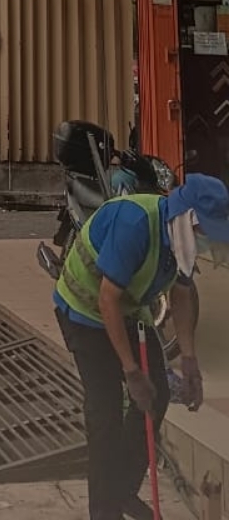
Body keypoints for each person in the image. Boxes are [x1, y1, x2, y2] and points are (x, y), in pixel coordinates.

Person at [54, 174, 229, 520]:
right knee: (104, 414)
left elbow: (180, 295)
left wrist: (190, 360)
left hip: (131, 312)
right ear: (188, 218)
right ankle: (104, 511)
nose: (208, 239)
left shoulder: (182, 241)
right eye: (206, 229)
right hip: (84, 313)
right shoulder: (135, 224)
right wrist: (131, 371)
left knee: (157, 395)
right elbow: (107, 301)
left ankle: (121, 492)